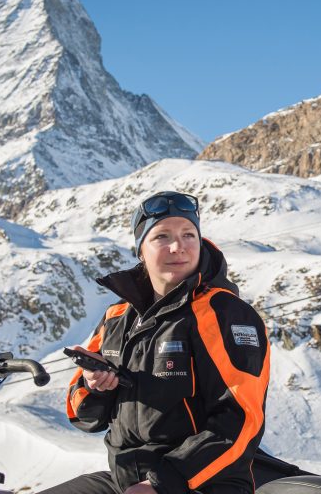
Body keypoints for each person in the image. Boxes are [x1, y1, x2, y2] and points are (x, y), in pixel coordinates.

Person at [43, 191, 270, 494]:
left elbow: (241, 420)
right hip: (126, 480)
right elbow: (83, 416)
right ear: (141, 250)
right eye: (162, 236)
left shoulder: (223, 313)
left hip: (202, 483)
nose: (179, 247)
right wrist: (93, 387)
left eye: (189, 234)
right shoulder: (116, 317)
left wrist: (160, 484)